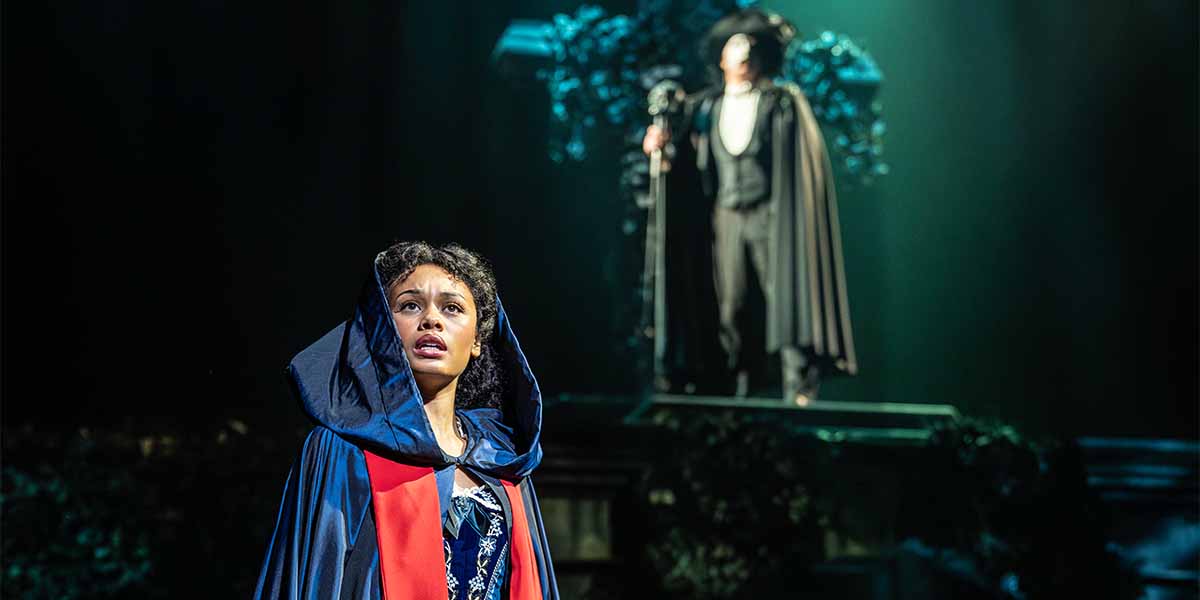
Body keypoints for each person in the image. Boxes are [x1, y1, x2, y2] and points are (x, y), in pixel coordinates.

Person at [254, 241, 558, 600]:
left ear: (477, 339)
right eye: (410, 306)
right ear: (383, 331)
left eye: (452, 308)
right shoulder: (342, 451)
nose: (431, 319)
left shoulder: (502, 459)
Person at [643, 9, 857, 404]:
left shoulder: (780, 102)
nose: (743, 55)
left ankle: (798, 390)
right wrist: (660, 142)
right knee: (732, 306)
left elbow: (798, 163)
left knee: (786, 299)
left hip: (773, 217)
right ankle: (739, 391)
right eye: (735, 47)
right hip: (726, 217)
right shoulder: (705, 107)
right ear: (722, 59)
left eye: (750, 50)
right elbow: (678, 148)